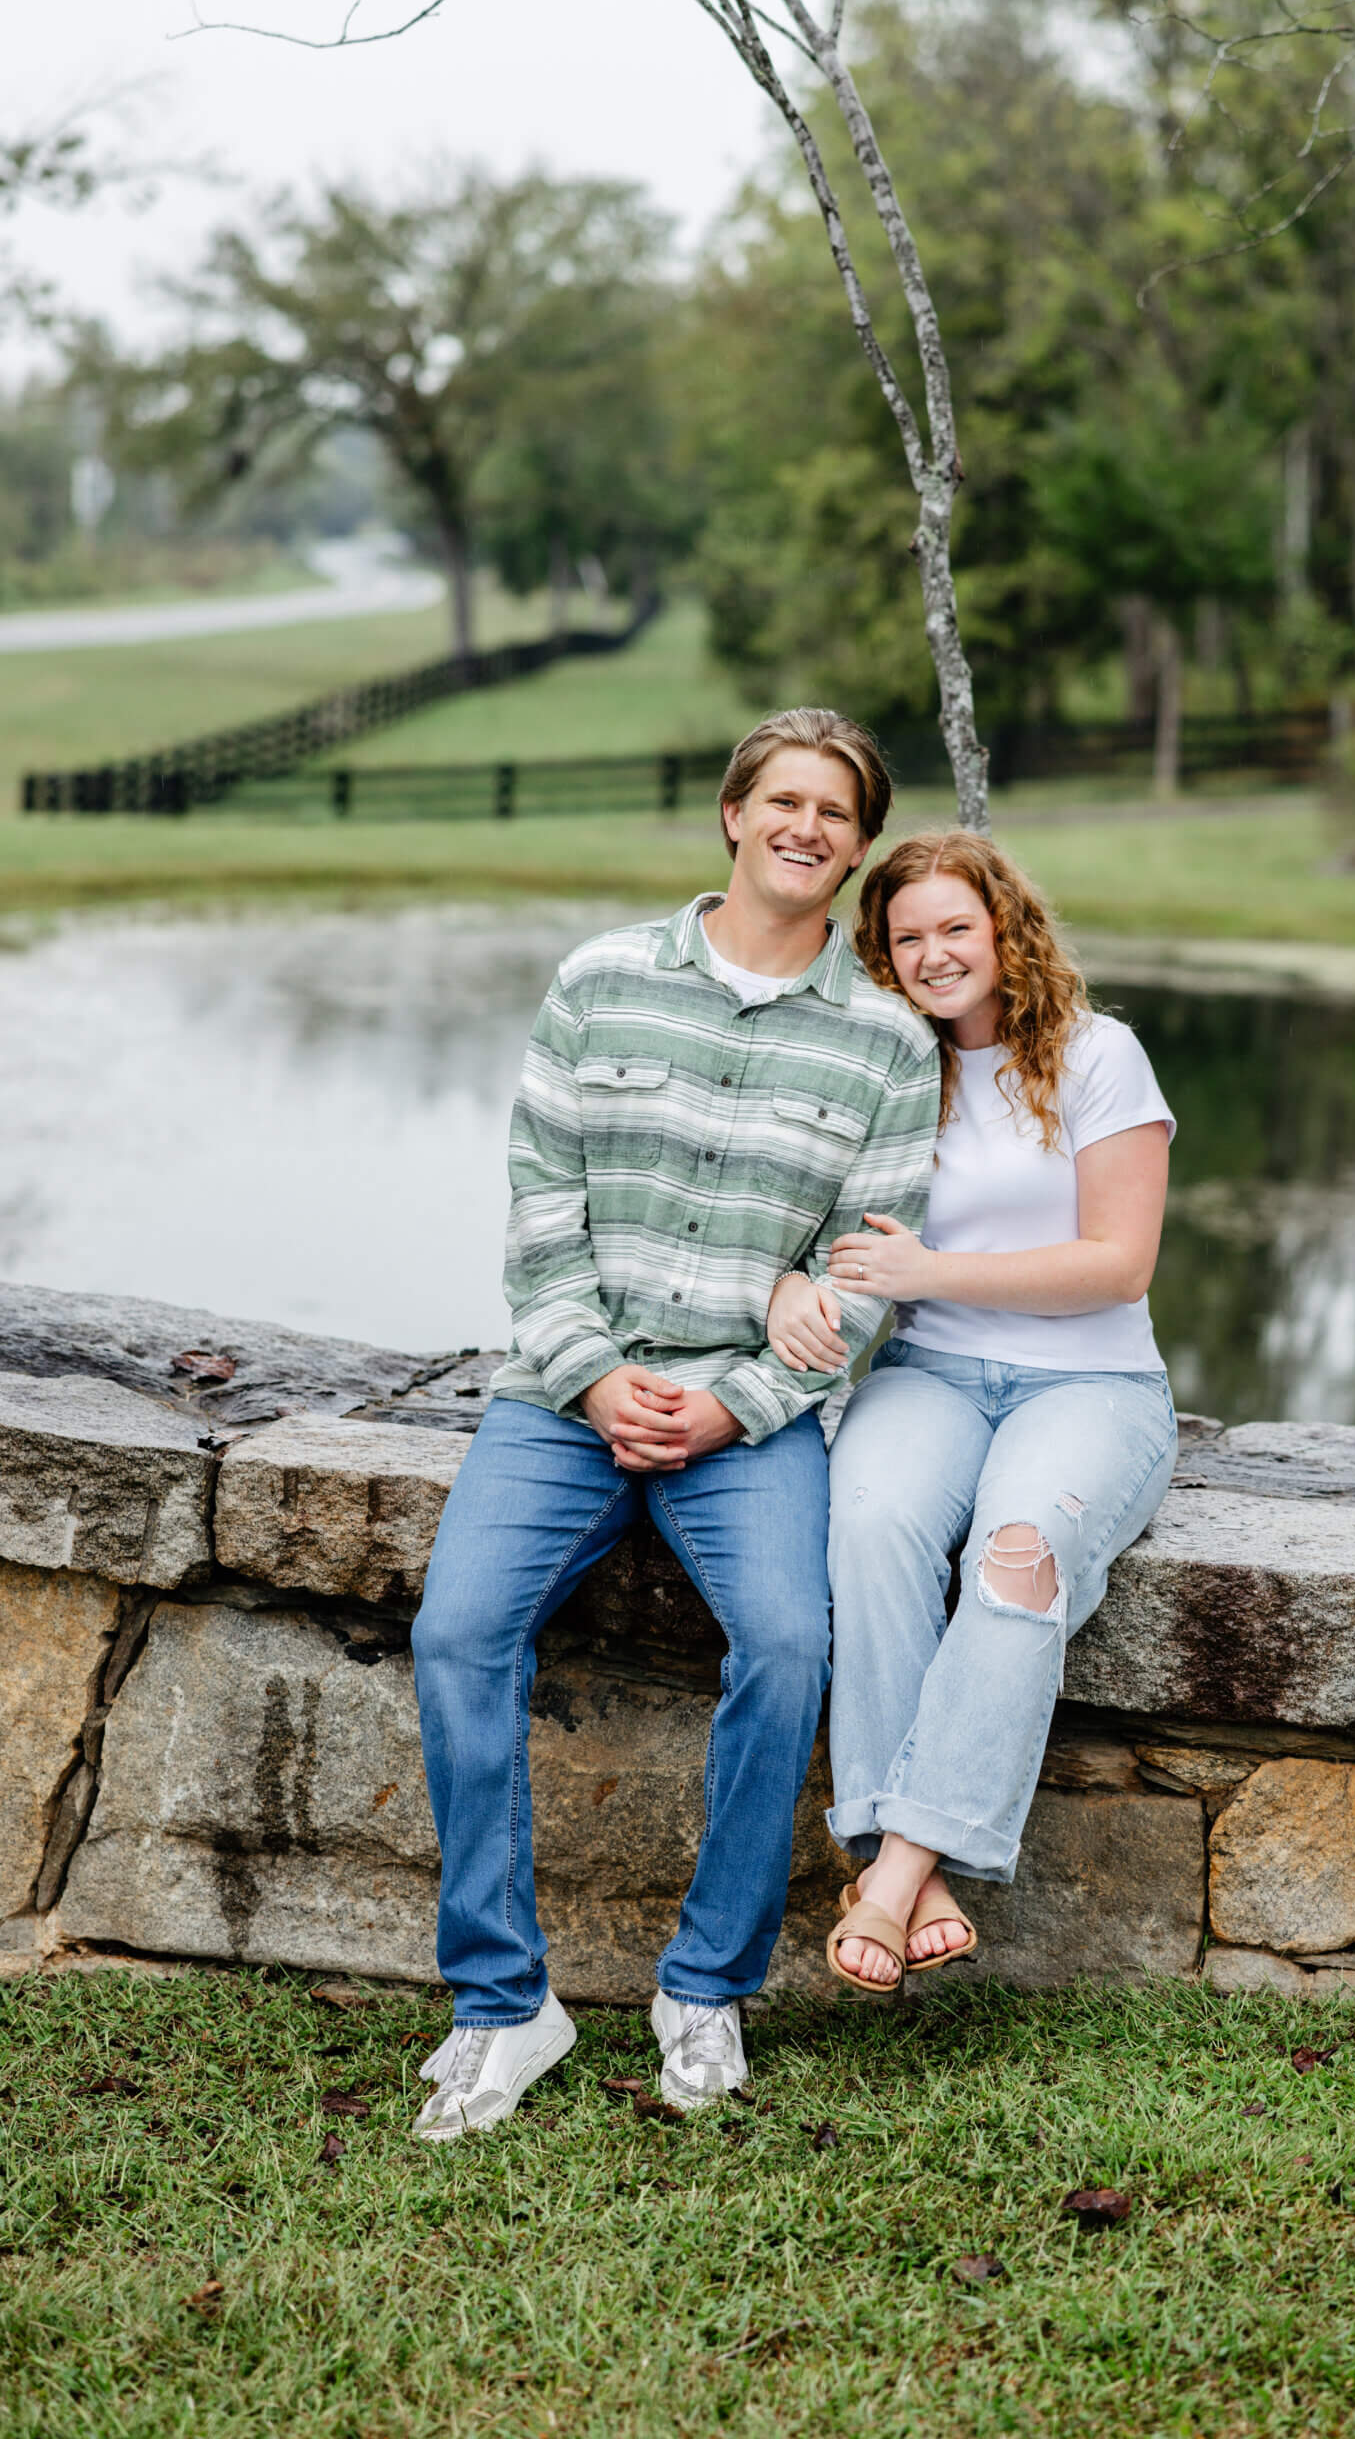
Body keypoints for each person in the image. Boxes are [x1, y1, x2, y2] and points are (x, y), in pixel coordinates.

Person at [409, 711, 939, 2137]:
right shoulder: (596, 982)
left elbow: (862, 1280)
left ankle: (701, 1989)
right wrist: (589, 1378)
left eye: (834, 811)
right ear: (730, 815)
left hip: (745, 1425)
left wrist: (731, 1407)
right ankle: (502, 2006)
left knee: (784, 1643)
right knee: (458, 1631)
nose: (805, 827)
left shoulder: (887, 1048)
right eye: (782, 799)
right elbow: (539, 1216)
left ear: (856, 843)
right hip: (563, 1402)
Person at [767, 832, 1177, 1990]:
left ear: (1005, 929)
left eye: (958, 926)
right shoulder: (887, 1068)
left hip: (1091, 1383)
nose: (937, 953)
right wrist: (789, 1280)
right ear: (882, 958)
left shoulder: (1099, 1057)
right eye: (909, 937)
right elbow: (795, 1226)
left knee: (1020, 1552)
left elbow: (1119, 1263)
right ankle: (921, 1869)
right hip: (931, 1376)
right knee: (874, 1523)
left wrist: (931, 1273)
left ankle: (892, 1868)